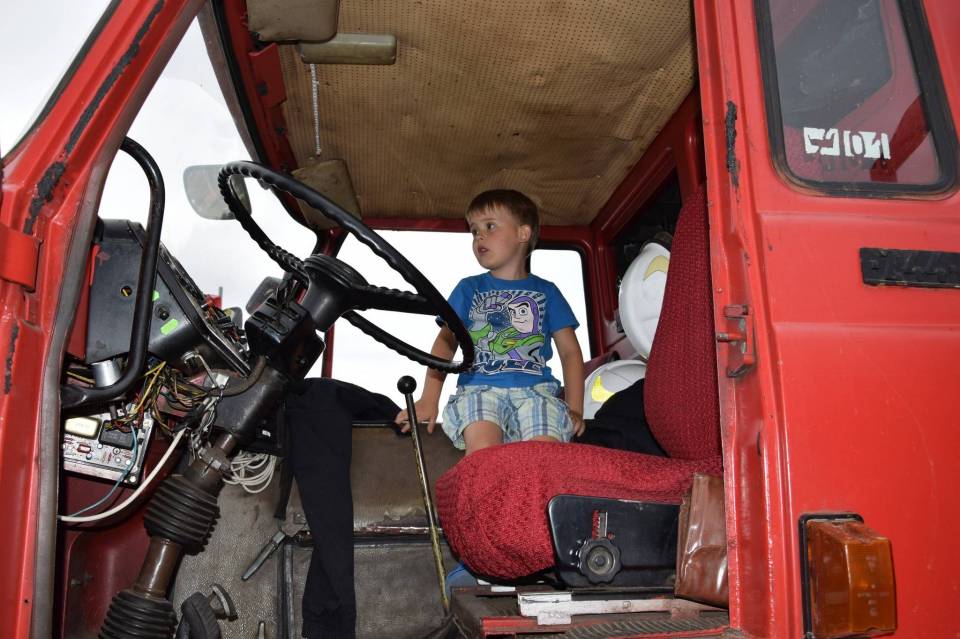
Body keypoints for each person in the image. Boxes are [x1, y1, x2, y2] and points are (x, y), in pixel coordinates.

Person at [395, 189, 586, 454]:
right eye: (474, 231)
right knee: (483, 448)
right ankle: (485, 479)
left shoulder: (547, 292)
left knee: (544, 452)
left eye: (490, 226)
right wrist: (429, 398)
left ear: (523, 233)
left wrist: (575, 409)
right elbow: (446, 343)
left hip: (537, 391)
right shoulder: (469, 289)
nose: (479, 236)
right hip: (479, 389)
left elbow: (570, 352)